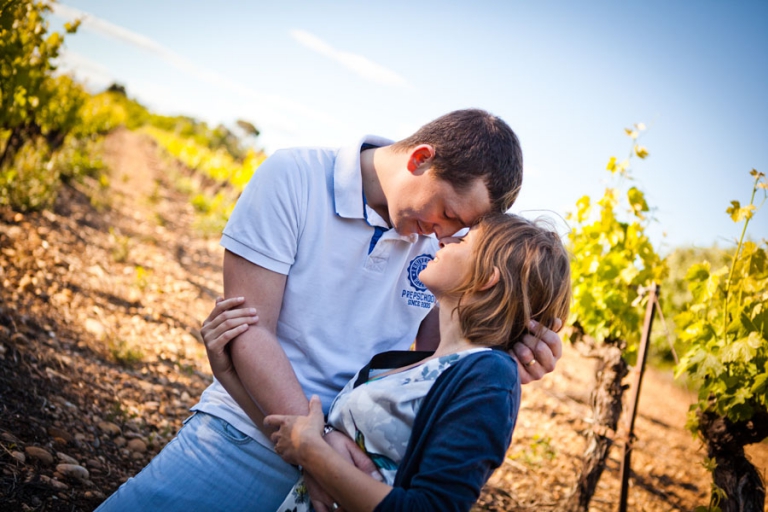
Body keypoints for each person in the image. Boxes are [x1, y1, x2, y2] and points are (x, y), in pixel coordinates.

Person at [96, 109, 564, 512]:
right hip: (248, 435)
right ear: (421, 159)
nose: (444, 236)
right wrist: (317, 448)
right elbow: (249, 328)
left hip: (360, 473)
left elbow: (438, 360)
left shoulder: (438, 255)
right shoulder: (293, 177)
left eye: (462, 230)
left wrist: (508, 351)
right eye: (449, 213)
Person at [205, 213, 572, 511]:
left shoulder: (490, 375)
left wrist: (316, 456)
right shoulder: (414, 366)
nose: (444, 240)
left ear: (487, 278)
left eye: (463, 241)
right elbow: (299, 439)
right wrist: (227, 373)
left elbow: (430, 507)